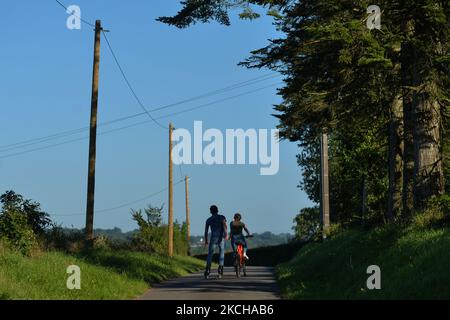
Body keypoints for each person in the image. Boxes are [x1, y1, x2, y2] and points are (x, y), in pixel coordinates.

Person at [204, 205, 227, 279]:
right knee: (222, 252)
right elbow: (224, 226)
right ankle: (220, 269)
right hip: (221, 237)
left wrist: (206, 240)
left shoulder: (209, 219)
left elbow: (206, 231)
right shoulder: (222, 217)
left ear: (211, 211)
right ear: (217, 210)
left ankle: (207, 270)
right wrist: (226, 234)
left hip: (213, 238)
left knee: (210, 254)